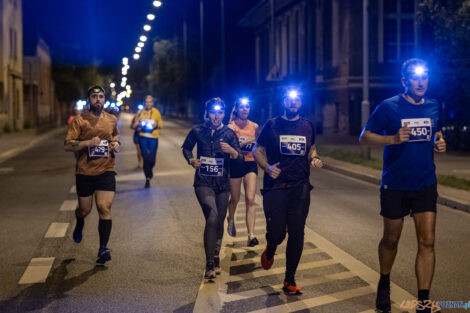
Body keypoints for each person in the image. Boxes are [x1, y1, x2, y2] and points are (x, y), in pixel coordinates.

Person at [359, 59, 446, 313]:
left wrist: (439, 142)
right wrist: (392, 138)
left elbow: (436, 133)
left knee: (427, 242)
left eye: (425, 77)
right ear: (404, 81)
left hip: (425, 183)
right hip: (395, 185)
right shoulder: (389, 107)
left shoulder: (433, 105)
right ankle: (384, 282)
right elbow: (364, 137)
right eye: (415, 78)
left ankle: (423, 300)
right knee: (391, 239)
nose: (421, 82)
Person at [253, 89, 323, 295]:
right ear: (283, 101)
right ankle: (272, 246)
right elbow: (257, 149)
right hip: (275, 187)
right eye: (290, 99)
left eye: (297, 99)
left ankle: (289, 279)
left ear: (301, 102)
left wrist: (314, 158)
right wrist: (267, 167)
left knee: (297, 232)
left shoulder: (308, 125)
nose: (294, 103)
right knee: (277, 233)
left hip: (300, 186)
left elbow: (311, 148)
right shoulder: (272, 125)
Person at [182, 98, 243, 279]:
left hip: (222, 184)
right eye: (213, 112)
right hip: (203, 182)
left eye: (220, 112)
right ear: (207, 113)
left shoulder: (229, 133)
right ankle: (209, 264)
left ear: (224, 114)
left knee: (220, 219)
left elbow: (239, 157)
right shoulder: (198, 130)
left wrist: (232, 151)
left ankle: (216, 257)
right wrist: (191, 160)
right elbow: (186, 148)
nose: (216, 116)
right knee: (212, 217)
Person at [64, 85, 120, 265]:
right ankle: (79, 219)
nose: (98, 99)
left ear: (105, 99)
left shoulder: (111, 119)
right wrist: (87, 142)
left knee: (104, 207)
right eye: (94, 96)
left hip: (106, 170)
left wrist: (115, 145)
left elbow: (115, 137)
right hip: (85, 172)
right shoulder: (79, 121)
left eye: (101, 96)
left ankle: (103, 248)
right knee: (85, 210)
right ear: (89, 99)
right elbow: (67, 144)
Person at [226, 97, 260, 247]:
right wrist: (246, 142)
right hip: (235, 163)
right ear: (237, 109)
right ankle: (230, 218)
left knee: (250, 199)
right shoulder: (231, 126)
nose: (245, 109)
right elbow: (231, 146)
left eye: (247, 107)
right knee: (235, 198)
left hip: (250, 164)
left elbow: (259, 145)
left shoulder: (255, 126)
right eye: (242, 107)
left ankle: (251, 235)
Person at [132, 95, 163, 188]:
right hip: (143, 137)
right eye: (146, 102)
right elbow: (134, 125)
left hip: (154, 137)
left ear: (152, 103)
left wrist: (155, 125)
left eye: (150, 102)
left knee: (152, 159)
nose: (148, 103)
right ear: (144, 103)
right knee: (145, 158)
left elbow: (161, 125)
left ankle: (150, 170)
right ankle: (147, 178)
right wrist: (139, 124)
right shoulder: (140, 112)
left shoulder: (156, 112)